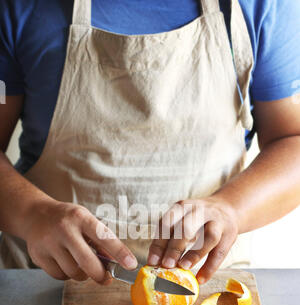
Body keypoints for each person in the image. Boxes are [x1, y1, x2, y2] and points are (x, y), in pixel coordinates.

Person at [0, 0, 300, 286]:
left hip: (204, 287)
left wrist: (231, 209)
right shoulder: (19, 8)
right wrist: (32, 214)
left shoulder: (261, 6)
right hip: (44, 284)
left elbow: (293, 140)